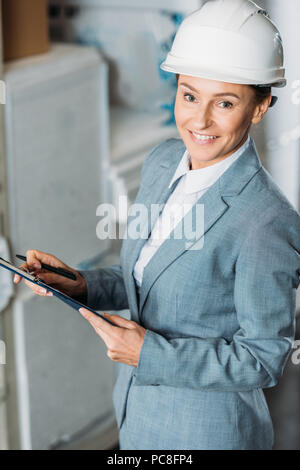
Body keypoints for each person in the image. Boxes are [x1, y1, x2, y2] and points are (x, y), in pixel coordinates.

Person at [14, 0, 300, 450]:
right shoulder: (164, 160)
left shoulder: (267, 220)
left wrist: (150, 354)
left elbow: (263, 359)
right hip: (136, 412)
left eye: (224, 102)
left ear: (260, 106)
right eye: (189, 95)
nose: (199, 120)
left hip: (208, 433)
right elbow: (151, 279)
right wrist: (80, 284)